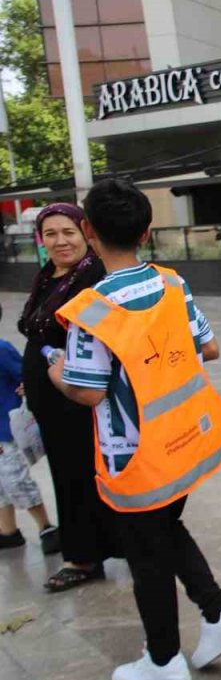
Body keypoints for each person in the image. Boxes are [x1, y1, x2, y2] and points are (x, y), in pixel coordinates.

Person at [50, 178, 221, 680]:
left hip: (132, 454)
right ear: (146, 230)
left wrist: (56, 372)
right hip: (183, 441)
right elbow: (210, 348)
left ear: (89, 231)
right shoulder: (171, 283)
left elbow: (88, 393)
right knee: (163, 530)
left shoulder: (92, 311)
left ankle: (163, 661)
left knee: (146, 551)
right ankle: (216, 612)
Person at [17, 203, 114, 589]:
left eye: (69, 232)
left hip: (77, 394)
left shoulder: (92, 275)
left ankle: (85, 557)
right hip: (50, 396)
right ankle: (86, 547)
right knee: (65, 471)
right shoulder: (49, 276)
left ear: (85, 234)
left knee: (80, 473)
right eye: (51, 234)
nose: (60, 241)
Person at [0, 335, 56, 550]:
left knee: (15, 479)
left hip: (6, 428)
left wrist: (27, 385)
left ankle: (45, 526)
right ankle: (8, 530)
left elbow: (24, 373)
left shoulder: (2, 349)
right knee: (2, 484)